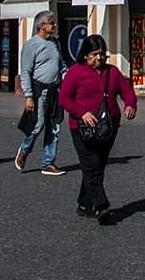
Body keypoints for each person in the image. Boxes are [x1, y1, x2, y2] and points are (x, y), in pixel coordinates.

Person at [58, 34, 137, 225]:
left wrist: (130, 104)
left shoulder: (112, 72)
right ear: (85, 55)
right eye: (94, 54)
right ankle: (101, 206)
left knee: (98, 166)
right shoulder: (75, 72)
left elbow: (126, 90)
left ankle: (84, 204)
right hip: (82, 127)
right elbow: (64, 99)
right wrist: (81, 112)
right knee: (92, 165)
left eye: (101, 54)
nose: (99, 58)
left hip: (108, 127)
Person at [15, 11, 65, 175]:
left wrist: (68, 76)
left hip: (55, 90)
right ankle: (24, 150)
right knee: (38, 125)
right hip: (40, 91)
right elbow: (26, 71)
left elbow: (61, 65)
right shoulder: (32, 45)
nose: (54, 25)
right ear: (41, 25)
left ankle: (48, 163)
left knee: (54, 126)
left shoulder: (55, 43)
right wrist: (28, 96)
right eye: (51, 23)